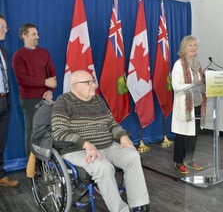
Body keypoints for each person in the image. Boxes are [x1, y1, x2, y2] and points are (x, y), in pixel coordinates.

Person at [51, 70, 150, 212]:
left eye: (93, 81)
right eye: (88, 82)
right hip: (77, 150)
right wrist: (86, 144)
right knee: (103, 167)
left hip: (106, 145)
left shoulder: (97, 100)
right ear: (75, 87)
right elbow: (59, 132)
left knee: (132, 156)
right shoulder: (63, 102)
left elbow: (111, 123)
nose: (93, 85)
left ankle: (139, 204)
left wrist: (123, 136)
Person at [12, 23, 57, 156]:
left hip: (46, 98)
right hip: (30, 100)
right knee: (32, 132)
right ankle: (32, 169)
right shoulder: (18, 56)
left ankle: (45, 164)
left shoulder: (44, 53)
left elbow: (52, 74)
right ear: (24, 36)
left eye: (37, 34)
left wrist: (50, 91)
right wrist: (44, 82)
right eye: (34, 34)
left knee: (48, 131)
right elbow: (22, 79)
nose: (38, 36)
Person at [171, 35, 206, 174]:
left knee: (194, 134)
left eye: (195, 46)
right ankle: (178, 162)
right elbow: (175, 85)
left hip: (197, 103)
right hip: (185, 105)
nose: (193, 48)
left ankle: (189, 159)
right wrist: (192, 84)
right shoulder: (179, 64)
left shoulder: (197, 64)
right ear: (184, 48)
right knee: (182, 134)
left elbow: (201, 81)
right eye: (190, 45)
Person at [0, 14, 19, 187]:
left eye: (5, 26)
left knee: (0, 141)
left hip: (4, 102)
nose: (6, 30)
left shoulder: (4, 51)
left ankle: (0, 176)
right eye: (2, 26)